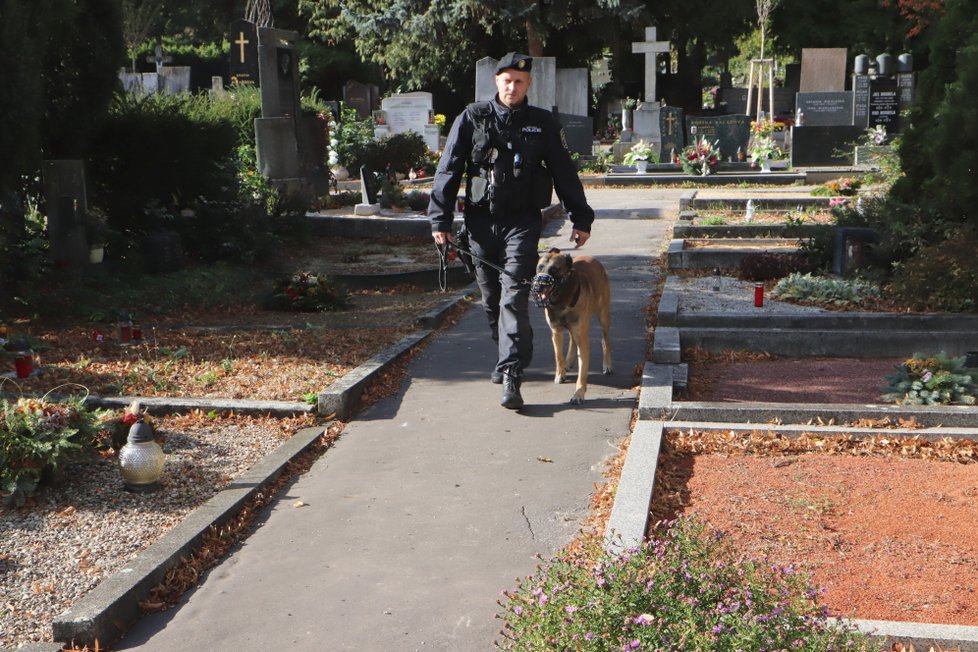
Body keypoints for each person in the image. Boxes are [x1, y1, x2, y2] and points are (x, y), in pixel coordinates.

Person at [427, 51, 595, 410]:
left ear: (528, 84)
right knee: (490, 300)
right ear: (497, 81)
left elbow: (565, 171)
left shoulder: (542, 123)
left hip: (523, 222)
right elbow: (448, 169)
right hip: (480, 222)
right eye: (507, 80)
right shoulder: (472, 118)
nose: (512, 86)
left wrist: (581, 218)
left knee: (513, 296)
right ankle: (511, 350)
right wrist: (439, 220)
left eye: (519, 81)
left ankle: (512, 374)